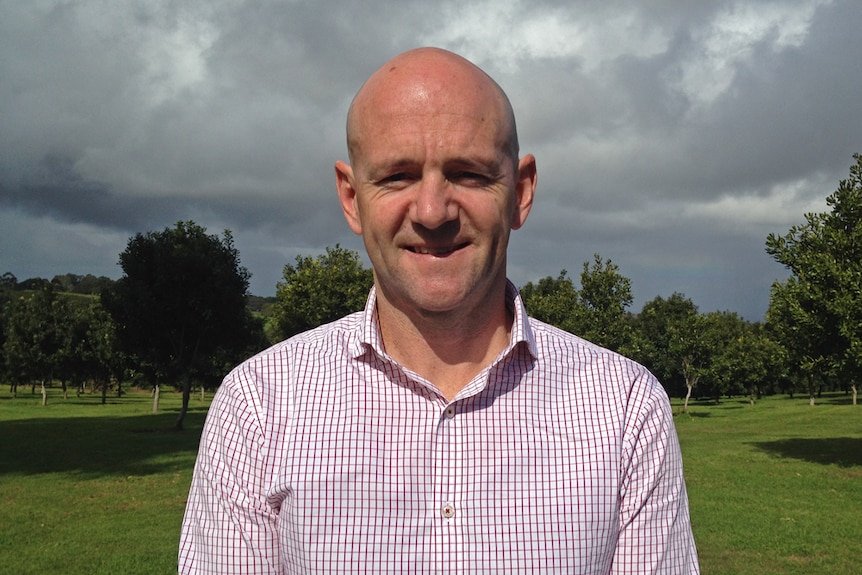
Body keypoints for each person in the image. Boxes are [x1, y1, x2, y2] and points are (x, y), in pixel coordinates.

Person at [179, 47, 699, 574]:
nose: (432, 212)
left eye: (469, 174)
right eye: (398, 176)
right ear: (351, 196)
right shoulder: (258, 406)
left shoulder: (626, 408)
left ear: (520, 192)